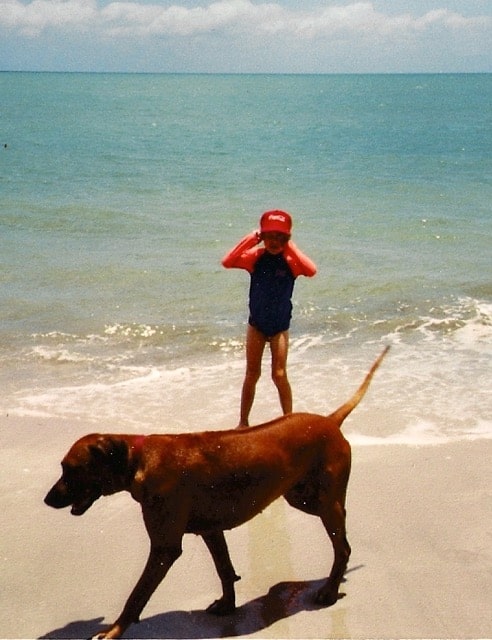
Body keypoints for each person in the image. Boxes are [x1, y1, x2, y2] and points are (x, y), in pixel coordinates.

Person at [222, 209, 317, 427]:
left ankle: (288, 421)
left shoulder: (291, 262)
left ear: (287, 238)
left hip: (279, 328)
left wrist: (290, 247)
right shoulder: (255, 258)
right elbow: (228, 261)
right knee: (252, 374)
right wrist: (251, 239)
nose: (275, 241)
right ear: (263, 237)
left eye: (280, 237)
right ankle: (243, 423)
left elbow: (311, 270)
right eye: (270, 236)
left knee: (279, 375)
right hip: (256, 325)